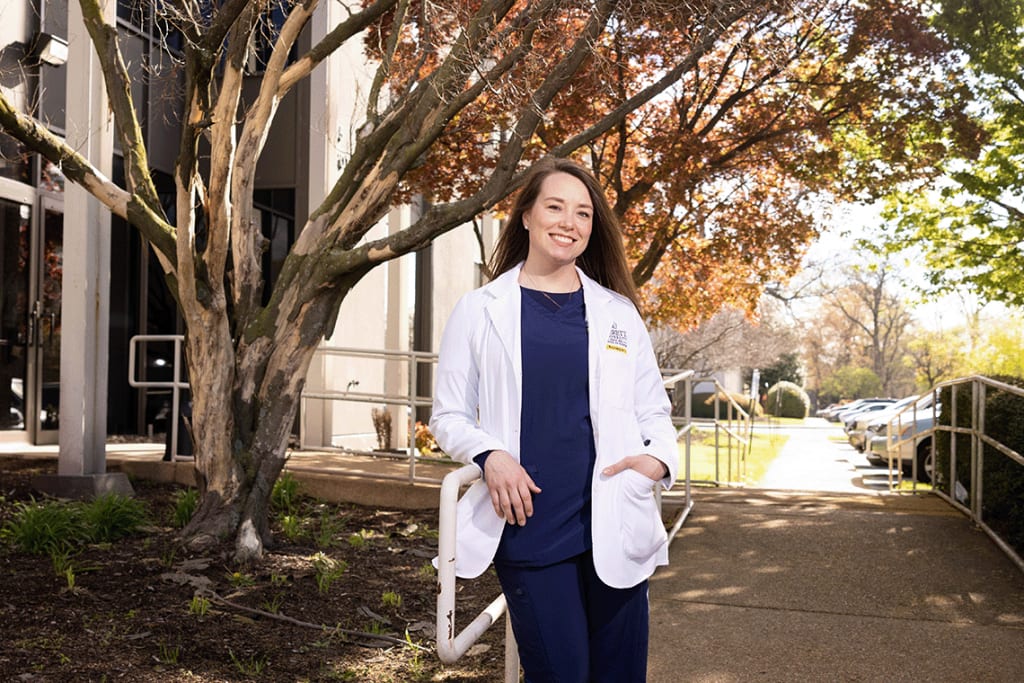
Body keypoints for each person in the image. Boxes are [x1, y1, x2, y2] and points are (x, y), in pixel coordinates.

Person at [430, 157, 678, 682]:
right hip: (531, 529)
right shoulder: (479, 309)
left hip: (615, 520)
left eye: (584, 214)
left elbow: (654, 408)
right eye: (556, 207)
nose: (569, 222)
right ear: (525, 215)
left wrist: (655, 462)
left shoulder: (618, 312)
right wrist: (489, 455)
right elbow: (448, 415)